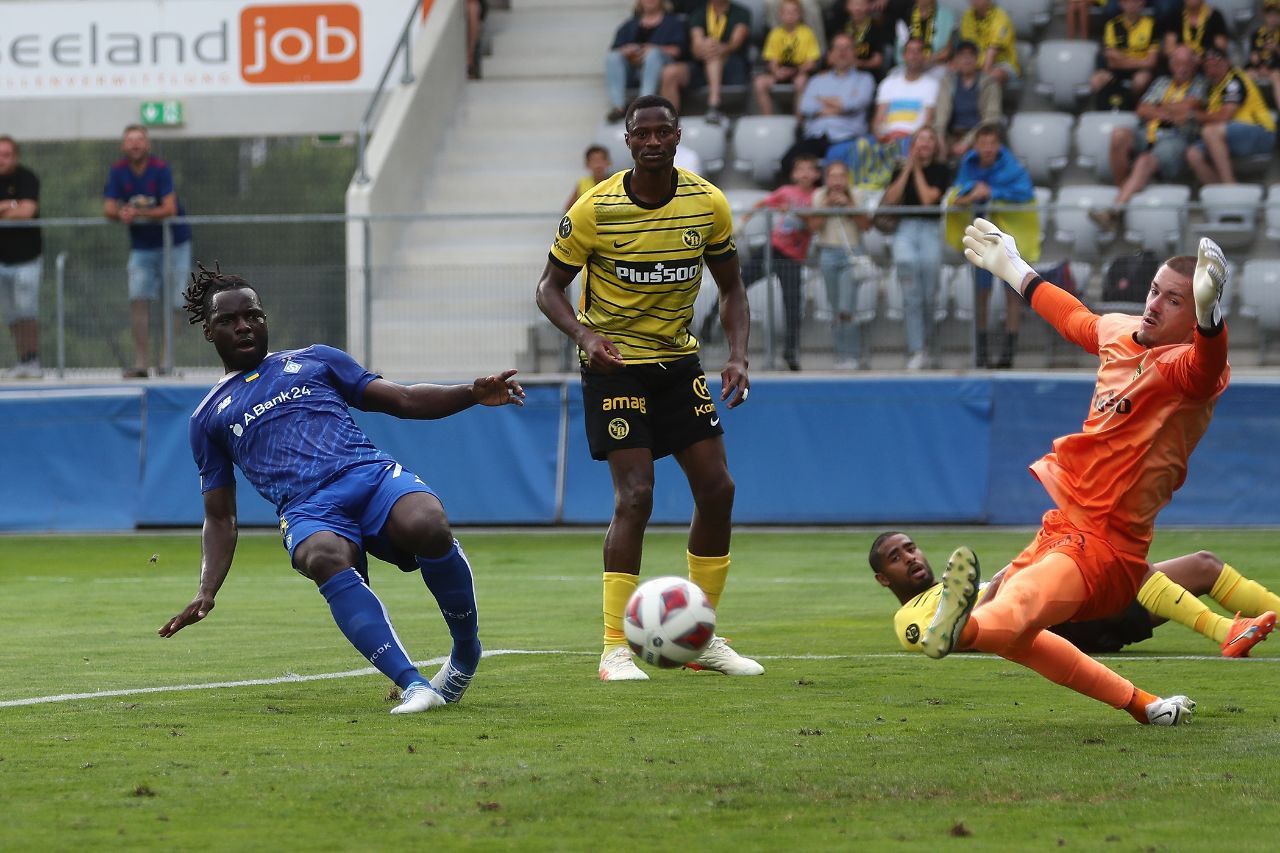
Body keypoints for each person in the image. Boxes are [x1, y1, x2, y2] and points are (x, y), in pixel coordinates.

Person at [159, 263, 526, 714]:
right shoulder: (207, 417)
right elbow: (220, 516)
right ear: (208, 333)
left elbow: (405, 399)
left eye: (252, 315)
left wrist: (471, 392)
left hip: (368, 477)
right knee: (321, 555)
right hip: (308, 508)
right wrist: (207, 588)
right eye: (228, 321)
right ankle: (414, 685)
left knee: (427, 522)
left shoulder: (316, 360)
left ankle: (466, 650)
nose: (244, 326)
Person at [918, 219, 1233, 726]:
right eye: (1155, 291)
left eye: (1175, 300)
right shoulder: (1122, 334)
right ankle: (1144, 705)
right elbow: (1075, 318)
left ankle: (961, 629)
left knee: (1017, 603)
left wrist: (1210, 320)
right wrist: (1014, 268)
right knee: (1016, 636)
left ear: (1194, 311)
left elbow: (1206, 365)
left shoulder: (1183, 368)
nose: (1154, 303)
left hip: (1111, 551)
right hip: (1063, 528)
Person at [535, 95, 761, 682]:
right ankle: (614, 648)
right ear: (628, 141)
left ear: (678, 137)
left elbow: (733, 289)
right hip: (614, 366)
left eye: (664, 132)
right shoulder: (594, 209)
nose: (654, 141)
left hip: (679, 363)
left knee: (718, 490)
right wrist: (585, 337)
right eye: (643, 133)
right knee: (636, 495)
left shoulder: (706, 203)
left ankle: (699, 635)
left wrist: (736, 355)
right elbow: (549, 289)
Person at [871, 531, 1277, 657]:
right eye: (895, 557)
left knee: (1203, 565)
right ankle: (1225, 632)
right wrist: (1000, 588)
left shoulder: (956, 580)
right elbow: (952, 639)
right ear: (883, 579)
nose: (909, 558)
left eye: (910, 548)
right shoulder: (908, 615)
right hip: (1058, 624)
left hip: (1056, 599)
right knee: (1125, 567)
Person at [103, 125, 194, 379]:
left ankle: (167, 362)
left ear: (148, 144)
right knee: (138, 298)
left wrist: (138, 213)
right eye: (130, 140)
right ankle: (141, 363)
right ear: (123, 146)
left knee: (176, 301)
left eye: (139, 140)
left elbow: (169, 208)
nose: (134, 145)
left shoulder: (161, 169)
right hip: (142, 247)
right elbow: (109, 207)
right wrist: (121, 213)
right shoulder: (118, 171)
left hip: (173, 244)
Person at [1091, 45, 1206, 233]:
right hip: (1148, 133)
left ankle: (1115, 211)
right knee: (1118, 135)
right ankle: (1123, 192)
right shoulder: (1162, 82)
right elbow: (1142, 108)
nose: (1182, 67)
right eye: (1178, 63)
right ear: (1171, 64)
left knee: (1145, 160)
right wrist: (1168, 110)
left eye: (1186, 63)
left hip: (1175, 139)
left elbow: (1191, 105)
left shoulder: (1200, 83)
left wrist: (1158, 107)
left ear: (1194, 64)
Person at [949, 123, 1034, 369]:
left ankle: (1008, 351)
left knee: (1012, 292)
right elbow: (959, 191)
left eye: (991, 143)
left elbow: (1023, 192)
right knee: (981, 294)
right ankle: (981, 350)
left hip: (1008, 239)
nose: (987, 148)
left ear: (999, 145)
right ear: (976, 145)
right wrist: (972, 194)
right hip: (981, 240)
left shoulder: (1012, 167)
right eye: (982, 143)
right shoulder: (969, 164)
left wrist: (991, 191)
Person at [739, 153, 823, 371]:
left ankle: (791, 352)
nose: (804, 173)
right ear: (794, 174)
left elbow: (815, 224)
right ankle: (710, 325)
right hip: (773, 248)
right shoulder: (786, 192)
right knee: (737, 284)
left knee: (793, 305)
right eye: (800, 169)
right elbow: (762, 203)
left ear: (816, 174)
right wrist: (743, 221)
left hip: (794, 257)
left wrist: (795, 212)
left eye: (809, 169)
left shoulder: (818, 196)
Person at [880, 125, 950, 370]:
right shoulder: (901, 168)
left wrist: (918, 170)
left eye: (930, 139)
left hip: (929, 231)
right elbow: (890, 199)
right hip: (905, 230)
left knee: (929, 295)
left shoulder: (941, 170)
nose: (925, 144)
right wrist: (908, 168)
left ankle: (931, 347)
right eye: (920, 139)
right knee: (911, 295)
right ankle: (916, 349)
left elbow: (928, 199)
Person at [806, 160, 873, 368]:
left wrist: (849, 206)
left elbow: (866, 226)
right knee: (835, 307)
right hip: (827, 252)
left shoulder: (857, 194)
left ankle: (852, 354)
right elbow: (814, 227)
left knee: (847, 306)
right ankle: (841, 353)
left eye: (841, 176)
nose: (837, 181)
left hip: (851, 253)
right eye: (832, 176)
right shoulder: (818, 196)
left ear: (847, 178)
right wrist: (826, 206)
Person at [785, 33, 878, 171]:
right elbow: (806, 107)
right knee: (788, 162)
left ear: (854, 53)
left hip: (848, 138)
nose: (842, 52)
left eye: (847, 48)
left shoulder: (865, 79)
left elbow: (854, 104)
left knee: (840, 170)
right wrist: (841, 106)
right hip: (816, 136)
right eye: (838, 48)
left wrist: (822, 100)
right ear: (830, 54)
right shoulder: (816, 80)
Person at [1186, 47, 1276, 186]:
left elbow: (1225, 116)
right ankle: (1221, 196)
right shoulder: (1212, 88)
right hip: (1230, 136)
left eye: (1216, 63)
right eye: (1208, 65)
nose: (1212, 68)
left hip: (1260, 131)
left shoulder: (1234, 79)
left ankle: (1230, 186)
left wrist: (1193, 116)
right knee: (1193, 154)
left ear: (1226, 63)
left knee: (1210, 132)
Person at [660, 0, 752, 123]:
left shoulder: (741, 12)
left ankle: (714, 106)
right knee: (669, 72)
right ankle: (667, 123)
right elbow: (696, 44)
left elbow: (735, 43)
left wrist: (719, 48)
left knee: (714, 55)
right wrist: (705, 47)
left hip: (732, 68)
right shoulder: (699, 13)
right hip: (700, 66)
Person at [605, 0, 689, 123]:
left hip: (661, 68)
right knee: (613, 57)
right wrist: (627, 51)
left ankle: (643, 106)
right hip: (634, 70)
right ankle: (618, 107)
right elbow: (615, 49)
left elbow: (680, 51)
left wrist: (653, 49)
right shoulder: (629, 25)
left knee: (653, 55)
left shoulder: (674, 22)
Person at [0, 135, 42, 379]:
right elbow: (19, 208)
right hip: (2, 260)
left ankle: (33, 358)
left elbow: (27, 211)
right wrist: (10, 205)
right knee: (12, 313)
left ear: (15, 156)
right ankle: (21, 359)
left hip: (26, 258)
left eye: (6, 155)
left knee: (27, 310)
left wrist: (7, 207)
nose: (2, 160)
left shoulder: (27, 178)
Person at [933, 39, 1002, 162]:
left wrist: (967, 142)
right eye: (962, 56)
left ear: (976, 59)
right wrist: (940, 139)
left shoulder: (989, 83)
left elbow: (992, 118)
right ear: (956, 60)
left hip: (980, 135)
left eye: (971, 55)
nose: (967, 59)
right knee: (930, 146)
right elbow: (940, 116)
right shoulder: (947, 82)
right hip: (951, 135)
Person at [753, 0, 823, 115]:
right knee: (759, 83)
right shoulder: (775, 33)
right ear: (780, 15)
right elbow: (772, 59)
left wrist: (796, 70)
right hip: (780, 70)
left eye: (794, 12)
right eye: (786, 12)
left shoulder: (807, 33)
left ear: (800, 14)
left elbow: (811, 62)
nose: (790, 15)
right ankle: (768, 119)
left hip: (799, 70)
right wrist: (776, 71)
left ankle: (799, 120)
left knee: (801, 82)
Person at [1089, 0, 1159, 112]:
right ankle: (1101, 111)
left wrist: (1122, 58)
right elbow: (1111, 61)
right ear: (1121, 4)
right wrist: (1140, 59)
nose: (1132, 5)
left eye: (1136, 2)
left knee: (1140, 80)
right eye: (1127, 2)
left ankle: (1134, 108)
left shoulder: (1151, 25)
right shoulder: (1112, 25)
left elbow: (1151, 61)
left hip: (1139, 71)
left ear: (1142, 3)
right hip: (1117, 70)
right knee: (1096, 80)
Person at [870, 38, 939, 146]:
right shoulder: (888, 83)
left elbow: (928, 122)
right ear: (904, 55)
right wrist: (883, 136)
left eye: (918, 51)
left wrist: (905, 138)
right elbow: (878, 120)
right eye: (910, 51)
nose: (914, 55)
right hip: (887, 138)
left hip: (914, 140)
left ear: (924, 56)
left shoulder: (932, 85)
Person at [958, 0, 1019, 89]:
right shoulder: (967, 16)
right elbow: (969, 48)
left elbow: (991, 54)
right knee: (951, 72)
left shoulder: (1001, 17)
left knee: (992, 77)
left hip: (1001, 63)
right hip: (976, 61)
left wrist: (977, 78)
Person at [893, 0, 957, 77]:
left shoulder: (946, 15)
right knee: (894, 75)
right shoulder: (905, 16)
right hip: (909, 66)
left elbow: (947, 51)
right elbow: (899, 55)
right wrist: (915, 61)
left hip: (937, 65)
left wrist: (930, 60)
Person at [1158, 0, 1229, 61]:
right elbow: (1168, 49)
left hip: (1207, 63)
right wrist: (1185, 54)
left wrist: (1201, 56)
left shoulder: (1215, 16)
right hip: (1182, 62)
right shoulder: (1175, 16)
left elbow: (1221, 47)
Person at [1246, 0, 1280, 103]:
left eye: (1276, 15)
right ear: (1264, 15)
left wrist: (1276, 49)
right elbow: (1254, 57)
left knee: (1276, 76)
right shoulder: (1256, 34)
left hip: (1276, 69)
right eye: (1269, 15)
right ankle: (1250, 111)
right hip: (1260, 68)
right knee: (1246, 76)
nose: (1273, 18)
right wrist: (1261, 67)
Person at [565, 145, 614, 212]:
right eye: (594, 160)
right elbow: (568, 208)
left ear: (608, 162)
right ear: (587, 164)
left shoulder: (615, 182)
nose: (598, 165)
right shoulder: (582, 184)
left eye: (601, 160)